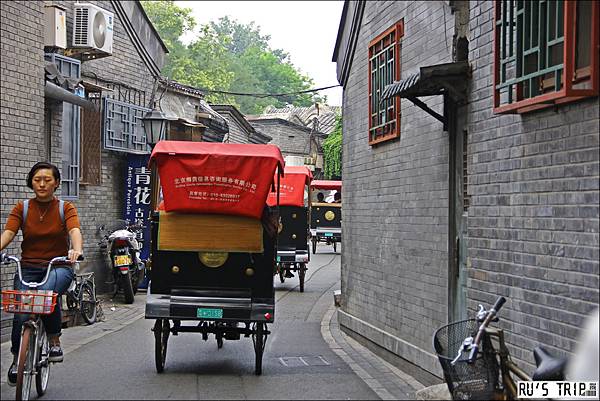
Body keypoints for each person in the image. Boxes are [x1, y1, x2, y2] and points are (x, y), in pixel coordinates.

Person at [0, 162, 83, 386]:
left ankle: (54, 339)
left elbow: (74, 230)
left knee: (46, 295)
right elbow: (8, 232)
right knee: (21, 310)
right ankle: (17, 358)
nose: (42, 184)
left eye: (47, 179)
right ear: (31, 182)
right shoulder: (22, 208)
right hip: (27, 266)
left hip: (58, 266)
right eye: (37, 180)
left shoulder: (65, 208)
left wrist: (76, 250)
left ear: (56, 183)